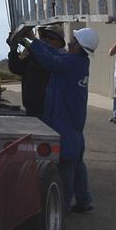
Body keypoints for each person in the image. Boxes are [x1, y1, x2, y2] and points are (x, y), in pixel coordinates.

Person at [8, 24, 98, 214]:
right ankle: (84, 200)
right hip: (73, 119)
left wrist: (32, 41)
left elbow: (50, 60)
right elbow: (53, 52)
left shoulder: (71, 64)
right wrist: (28, 40)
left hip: (64, 119)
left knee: (65, 161)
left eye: (74, 41)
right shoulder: (78, 61)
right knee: (76, 160)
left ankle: (62, 207)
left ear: (79, 46)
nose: (71, 43)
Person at [6, 24, 60, 118]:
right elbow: (16, 68)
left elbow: (48, 61)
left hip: (50, 111)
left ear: (60, 43)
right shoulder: (34, 55)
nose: (46, 40)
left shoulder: (59, 60)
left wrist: (30, 43)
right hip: (31, 109)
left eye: (51, 38)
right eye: (44, 36)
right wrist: (13, 48)